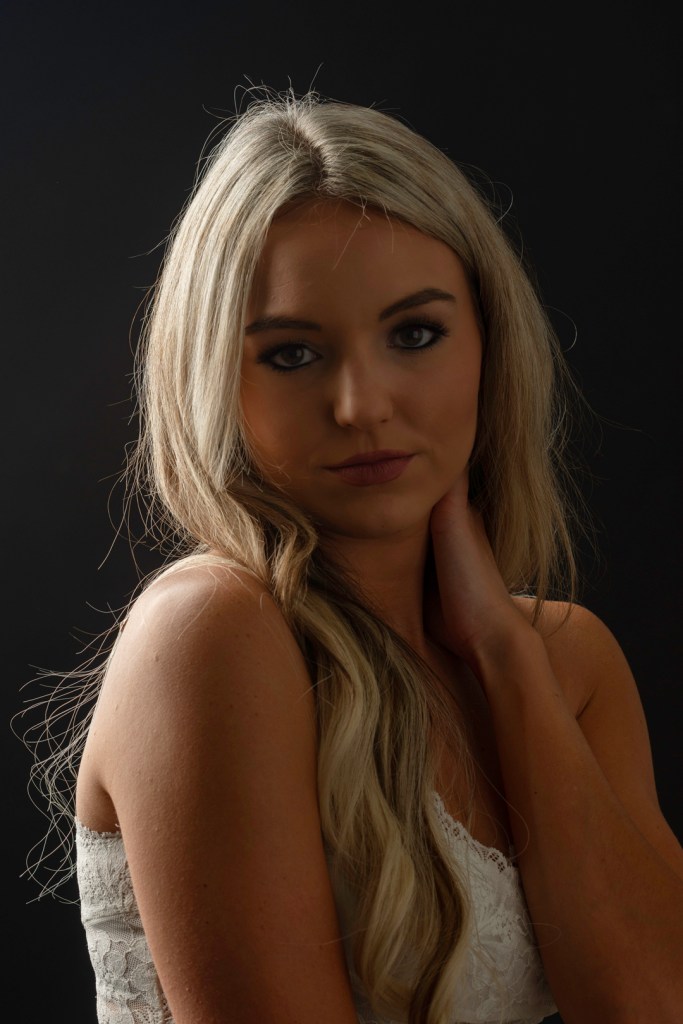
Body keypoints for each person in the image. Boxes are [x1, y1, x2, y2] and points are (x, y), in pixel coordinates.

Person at [22, 87, 683, 1024]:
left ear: (489, 346)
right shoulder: (211, 635)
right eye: (292, 354)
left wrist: (502, 654)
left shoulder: (567, 660)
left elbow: (647, 1000)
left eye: (414, 334)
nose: (360, 405)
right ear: (214, 375)